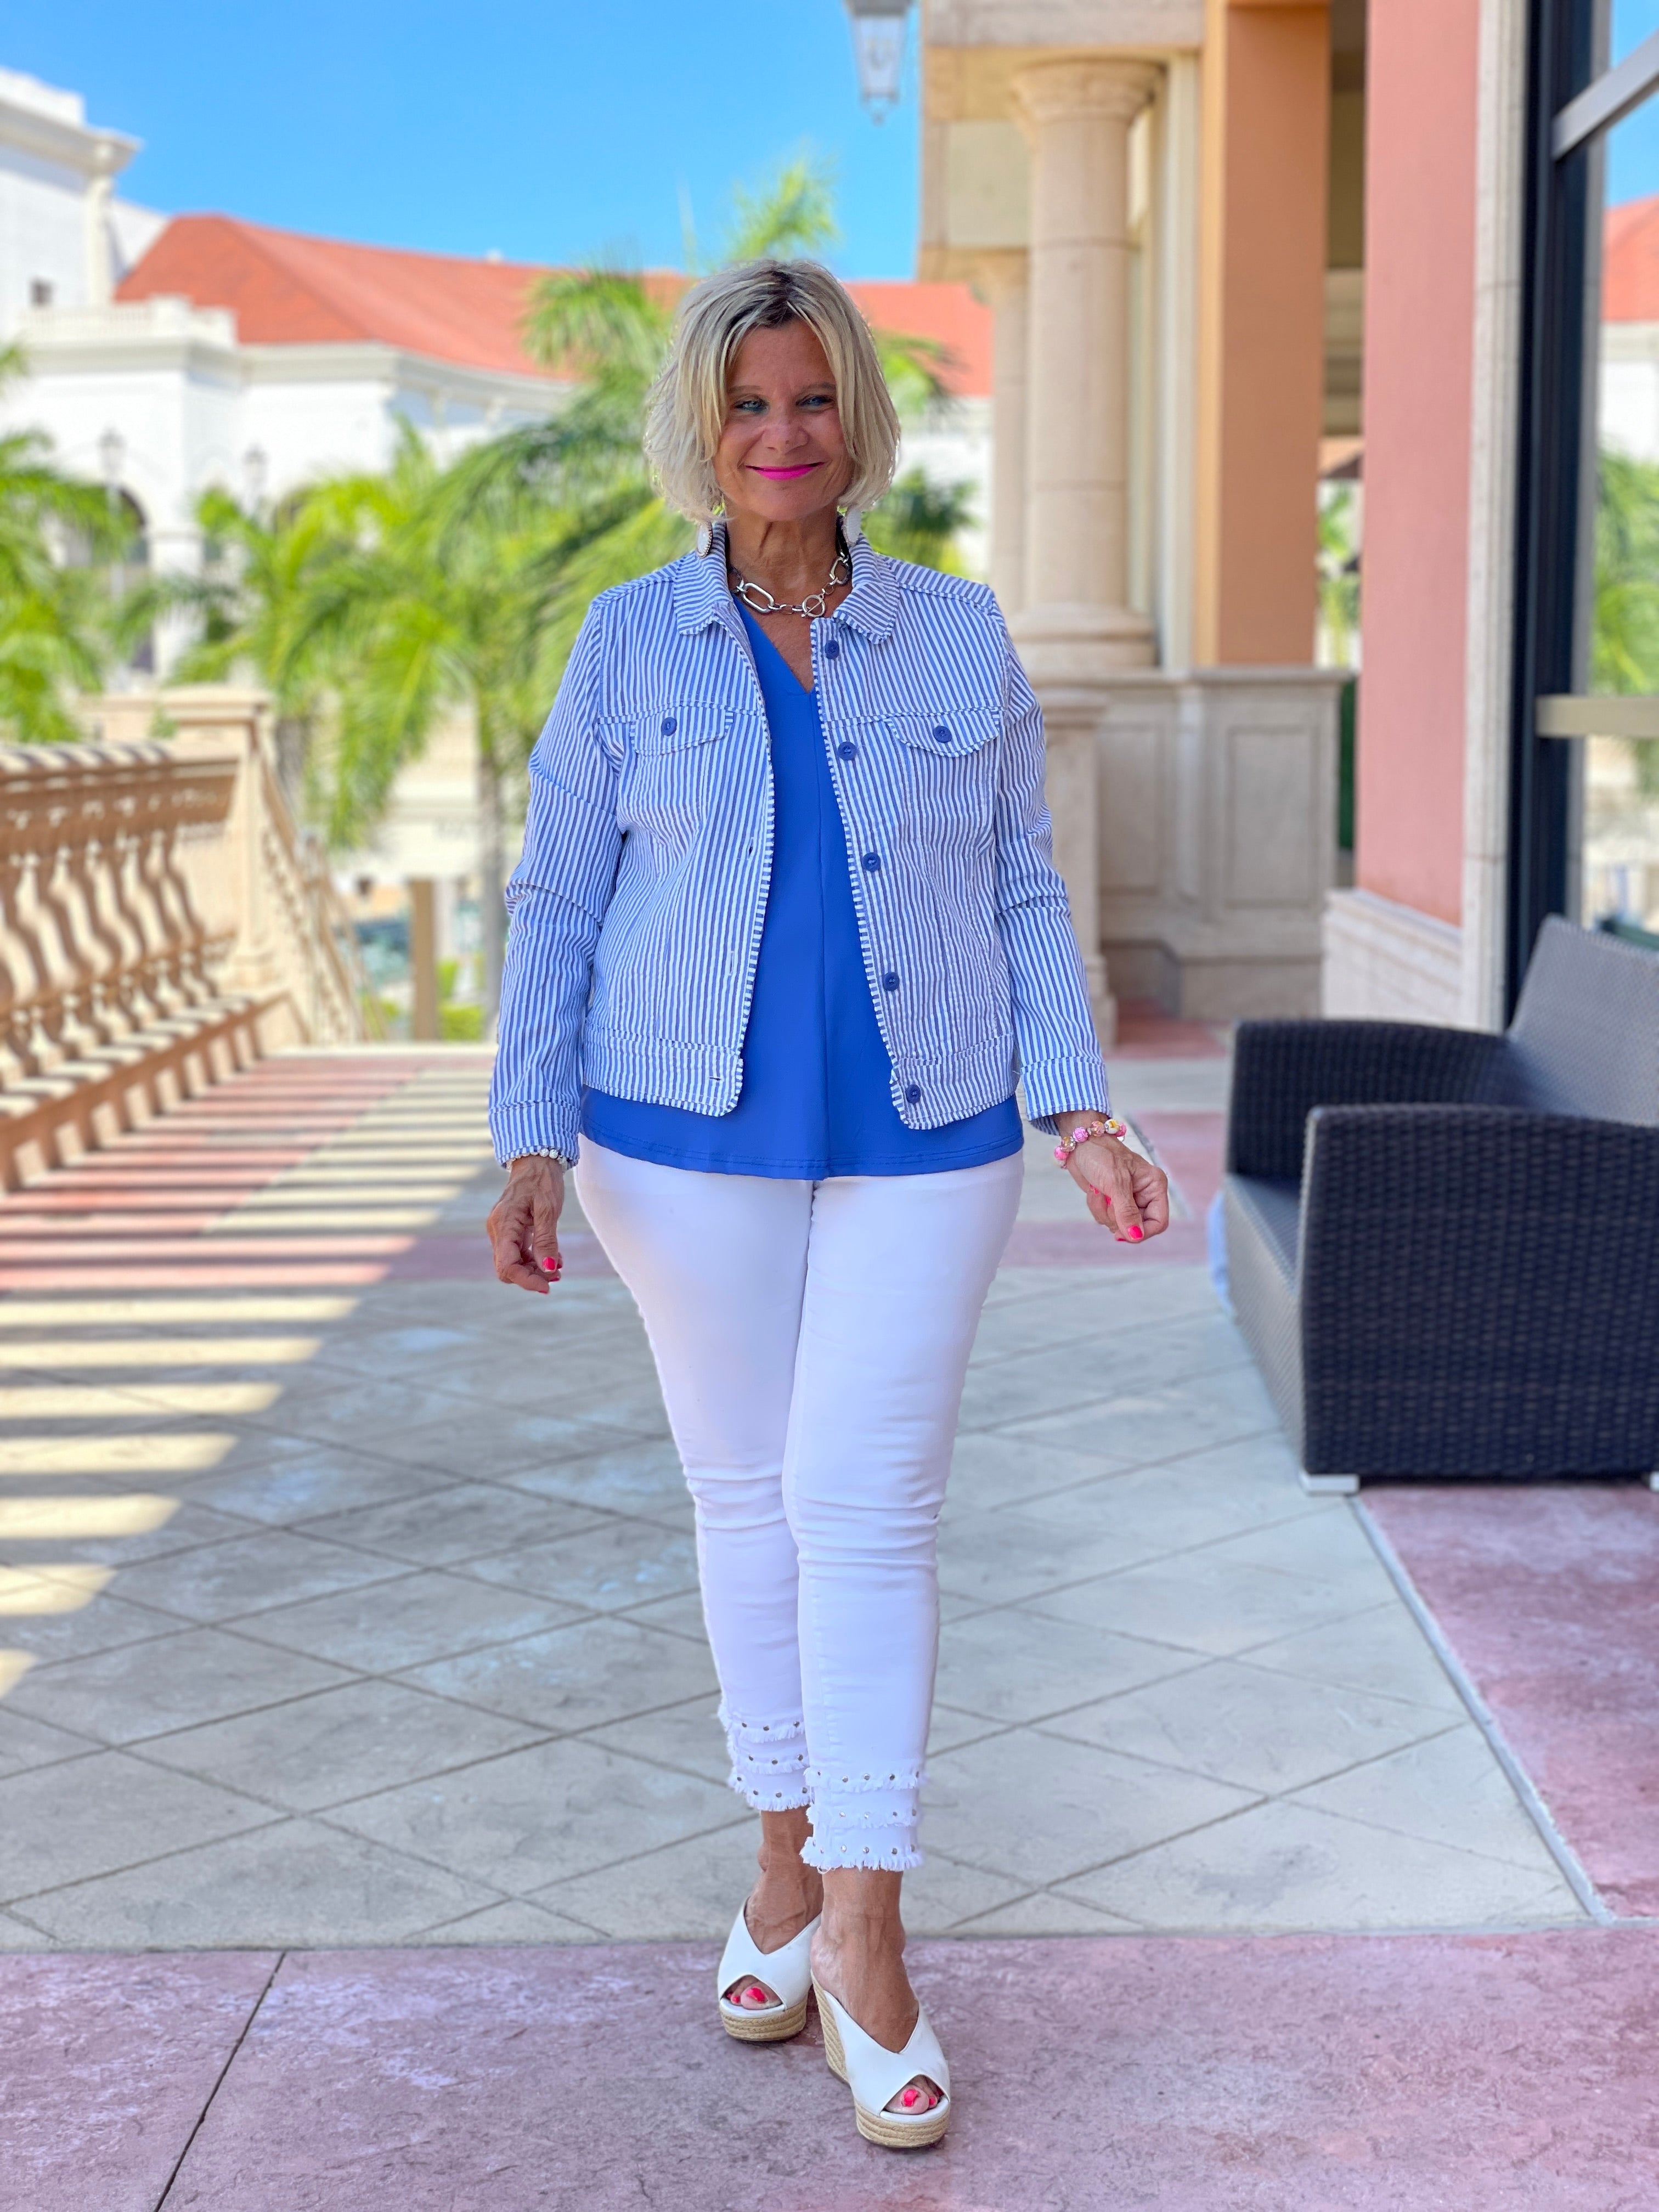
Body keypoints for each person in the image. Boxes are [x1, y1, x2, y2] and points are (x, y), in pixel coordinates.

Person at [487, 257, 1170, 2149]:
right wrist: (529, 1136)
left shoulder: (957, 632)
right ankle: (782, 1858)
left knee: (864, 1509)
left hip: (928, 1129)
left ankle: (864, 1926)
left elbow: (1024, 884)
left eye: (808, 400)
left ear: (855, 418)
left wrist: (1082, 1108)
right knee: (746, 1501)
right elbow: (558, 894)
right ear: (700, 432)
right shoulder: (627, 641)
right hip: (670, 1137)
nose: (781, 435)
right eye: (745, 405)